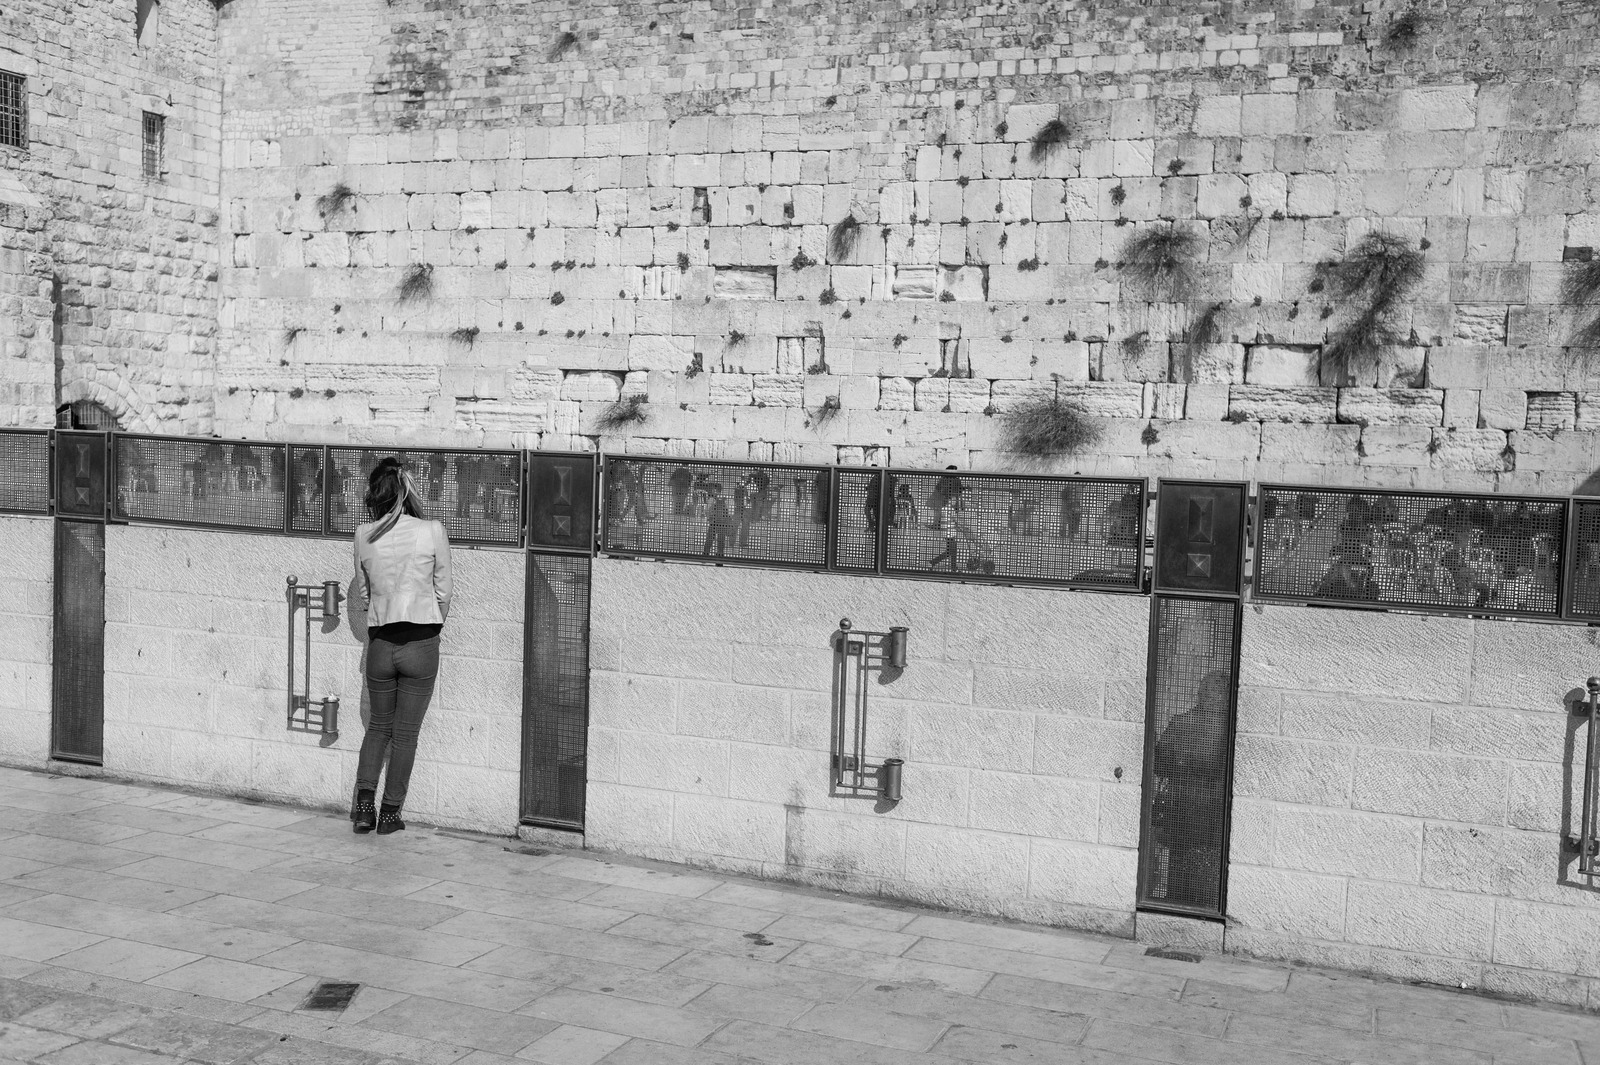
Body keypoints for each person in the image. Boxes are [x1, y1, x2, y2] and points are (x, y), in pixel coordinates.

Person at [350, 458, 453, 835]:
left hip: (380, 643)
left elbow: (364, 595)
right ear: (406, 489)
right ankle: (390, 815)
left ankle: (363, 809)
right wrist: (433, 623)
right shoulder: (432, 530)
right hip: (421, 640)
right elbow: (444, 591)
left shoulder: (364, 535)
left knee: (377, 728)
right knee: (405, 734)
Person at [1151, 670, 1231, 909]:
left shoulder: (1220, 728)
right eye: (1205, 691)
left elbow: (1161, 762)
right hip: (1192, 811)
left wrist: (1181, 762)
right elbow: (1159, 763)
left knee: (1198, 870)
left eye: (1213, 692)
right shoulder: (1187, 723)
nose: (1208, 696)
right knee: (1189, 870)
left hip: (1203, 812)